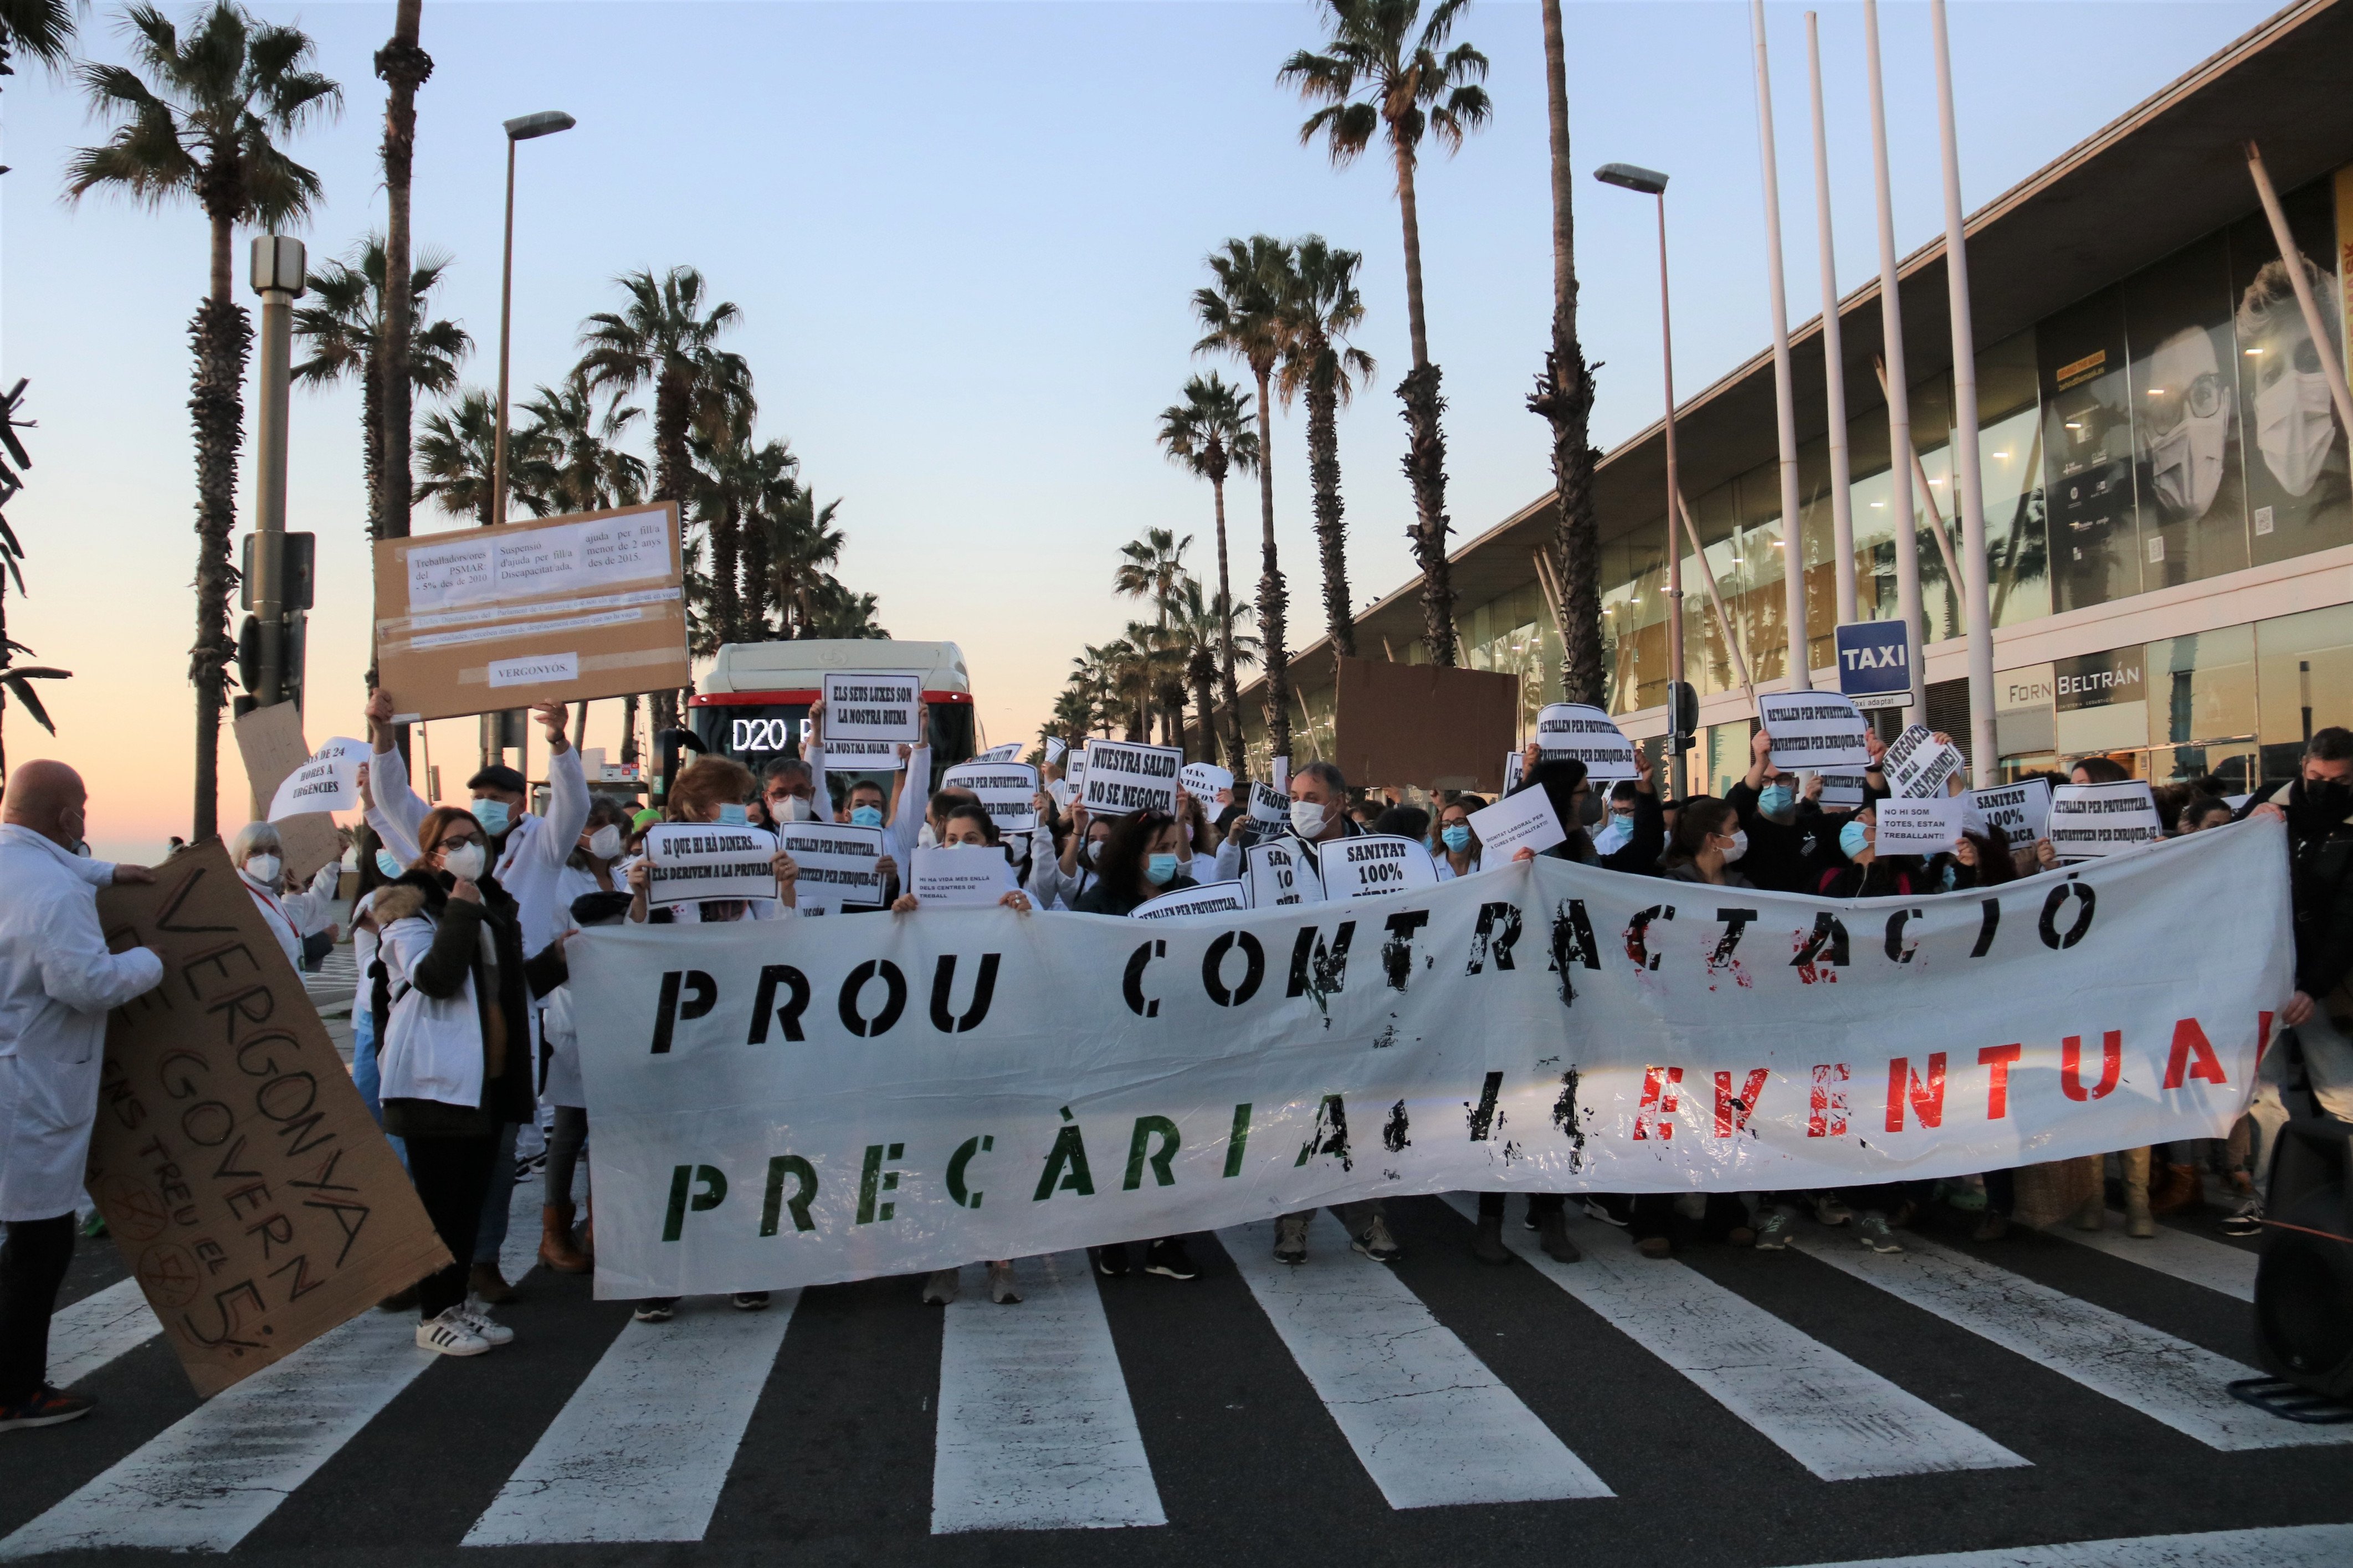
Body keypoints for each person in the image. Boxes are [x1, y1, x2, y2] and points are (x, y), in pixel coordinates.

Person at [0, 762, 165, 1431]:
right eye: (84, 808)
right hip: (32, 1086)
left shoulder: (23, 868)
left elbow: (53, 874)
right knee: (39, 1245)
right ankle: (16, 1391)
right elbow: (86, 983)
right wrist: (152, 959)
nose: (87, 820)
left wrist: (107, 872)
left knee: (22, 1238)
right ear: (67, 817)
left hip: (14, 1071)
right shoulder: (52, 890)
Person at [1217, 761, 1403, 1266]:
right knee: (1299, 1112)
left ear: (1340, 802)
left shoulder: (1384, 853)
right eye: (1294, 793)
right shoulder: (1269, 857)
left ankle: (1369, 1218)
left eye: (1311, 795)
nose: (1299, 804)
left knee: (1362, 1114)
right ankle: (1293, 1219)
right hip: (1298, 1004)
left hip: (1366, 1004)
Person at [375, 806, 537, 1356]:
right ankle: (432, 1314)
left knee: (470, 1202)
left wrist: (559, 957)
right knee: (441, 1205)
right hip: (433, 1081)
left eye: (473, 838)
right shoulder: (407, 912)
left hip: (485, 1079)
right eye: (453, 841)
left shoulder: (491, 906)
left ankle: (459, 1301)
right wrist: (462, 913)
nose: (468, 847)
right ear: (430, 853)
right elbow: (436, 978)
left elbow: (507, 985)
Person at [886, 804, 1033, 1305]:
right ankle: (944, 1262)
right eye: (951, 837)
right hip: (939, 1048)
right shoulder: (921, 897)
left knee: (998, 1155)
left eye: (971, 837)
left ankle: (1002, 1262)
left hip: (998, 1047)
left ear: (991, 844)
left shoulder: (1016, 895)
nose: (959, 846)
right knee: (939, 1154)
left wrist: (1023, 914)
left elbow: (1047, 951)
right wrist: (901, 917)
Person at [2227, 726, 2353, 1237]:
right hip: (2263, 975)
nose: (2324, 785)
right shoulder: (2269, 803)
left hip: (2320, 980)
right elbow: (2221, 866)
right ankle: (2268, 1196)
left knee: (2342, 1093)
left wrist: (2313, 986)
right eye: (2316, 776)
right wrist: (2243, 827)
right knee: (2265, 1094)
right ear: (2302, 766)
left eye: (2340, 779)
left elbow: (2349, 919)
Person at [537, 890, 634, 1276]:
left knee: (606, 1137)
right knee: (567, 1136)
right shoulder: (578, 946)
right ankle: (554, 1235)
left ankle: (600, 1229)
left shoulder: (613, 947)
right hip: (573, 1046)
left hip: (608, 1046)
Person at [226, 821, 343, 973]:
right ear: (241, 857)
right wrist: (322, 941)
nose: (266, 858)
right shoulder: (242, 901)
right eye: (256, 851)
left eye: (273, 850)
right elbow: (270, 956)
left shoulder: (270, 896)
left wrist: (332, 862)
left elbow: (312, 906)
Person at [1433, 798, 1482, 880]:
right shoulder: (1432, 866)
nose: (1452, 829)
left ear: (1472, 825)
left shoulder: (1486, 861)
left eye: (1459, 822)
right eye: (1446, 824)